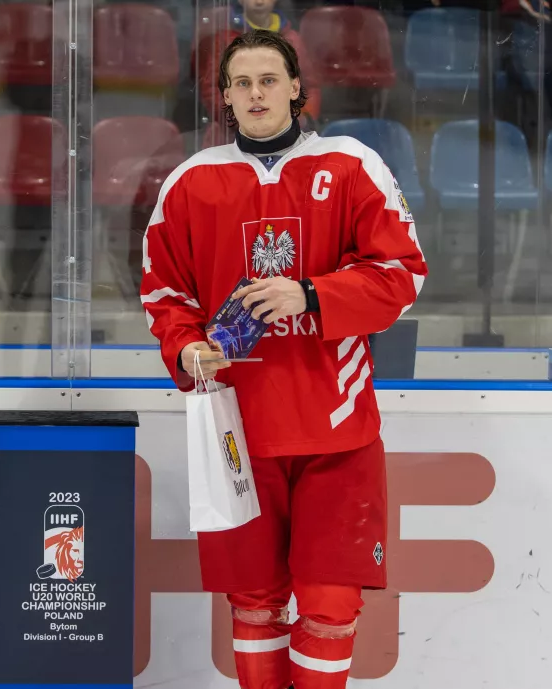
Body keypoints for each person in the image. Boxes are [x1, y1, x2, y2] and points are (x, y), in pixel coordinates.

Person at [141, 30, 427, 689]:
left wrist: (312, 293)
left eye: (268, 80)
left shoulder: (350, 165)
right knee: (254, 602)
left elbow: (402, 272)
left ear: (296, 87)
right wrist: (186, 346)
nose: (255, 94)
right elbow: (163, 291)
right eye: (240, 83)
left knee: (329, 606)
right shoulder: (190, 182)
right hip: (236, 430)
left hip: (336, 426)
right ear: (224, 97)